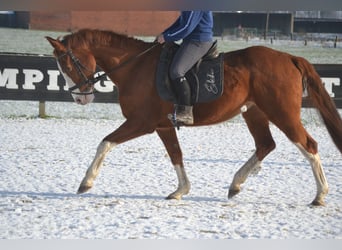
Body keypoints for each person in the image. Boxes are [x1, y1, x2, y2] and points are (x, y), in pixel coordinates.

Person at [156, 11, 214, 125]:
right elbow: (180, 21)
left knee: (177, 71)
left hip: (198, 41)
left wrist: (167, 37)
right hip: (190, 40)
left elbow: (186, 27)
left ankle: (186, 112)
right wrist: (165, 33)